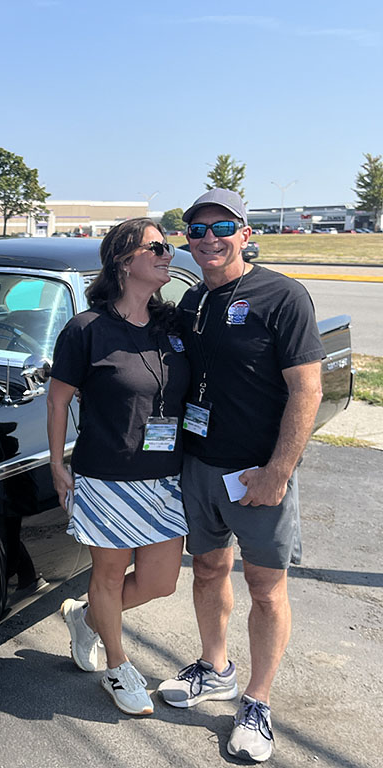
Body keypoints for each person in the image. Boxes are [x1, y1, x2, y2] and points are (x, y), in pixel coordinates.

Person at [156, 189, 323, 763]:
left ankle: (257, 700)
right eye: (197, 230)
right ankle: (216, 667)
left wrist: (279, 471)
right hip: (200, 465)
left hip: (258, 472)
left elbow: (307, 389)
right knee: (207, 569)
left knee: (266, 588)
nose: (209, 239)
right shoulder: (192, 301)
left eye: (222, 227)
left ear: (246, 234)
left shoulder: (283, 296)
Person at [47, 218, 190, 716]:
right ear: (124, 261)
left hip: (166, 478)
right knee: (108, 575)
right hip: (106, 475)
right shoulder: (86, 329)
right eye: (157, 247)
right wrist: (57, 464)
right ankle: (117, 665)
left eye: (168, 247)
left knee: (159, 582)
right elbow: (57, 400)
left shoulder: (173, 326)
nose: (169, 254)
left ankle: (85, 617)